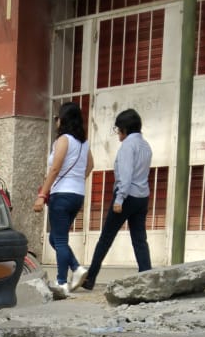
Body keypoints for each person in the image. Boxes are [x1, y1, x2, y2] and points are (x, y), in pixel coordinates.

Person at [81, 108, 153, 291]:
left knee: (106, 238)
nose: (118, 133)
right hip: (142, 197)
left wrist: (119, 199)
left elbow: (126, 176)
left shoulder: (128, 146)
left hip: (126, 196)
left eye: (118, 129)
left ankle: (90, 278)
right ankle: (147, 276)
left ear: (124, 129)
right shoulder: (145, 145)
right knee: (139, 239)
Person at [33, 103, 93, 297]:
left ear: (64, 119)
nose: (56, 121)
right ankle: (76, 267)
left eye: (57, 118)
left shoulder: (63, 140)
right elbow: (91, 166)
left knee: (59, 240)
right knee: (55, 238)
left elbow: (55, 169)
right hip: (77, 194)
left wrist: (42, 194)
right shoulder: (84, 143)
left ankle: (62, 283)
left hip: (62, 195)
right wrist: (75, 181)